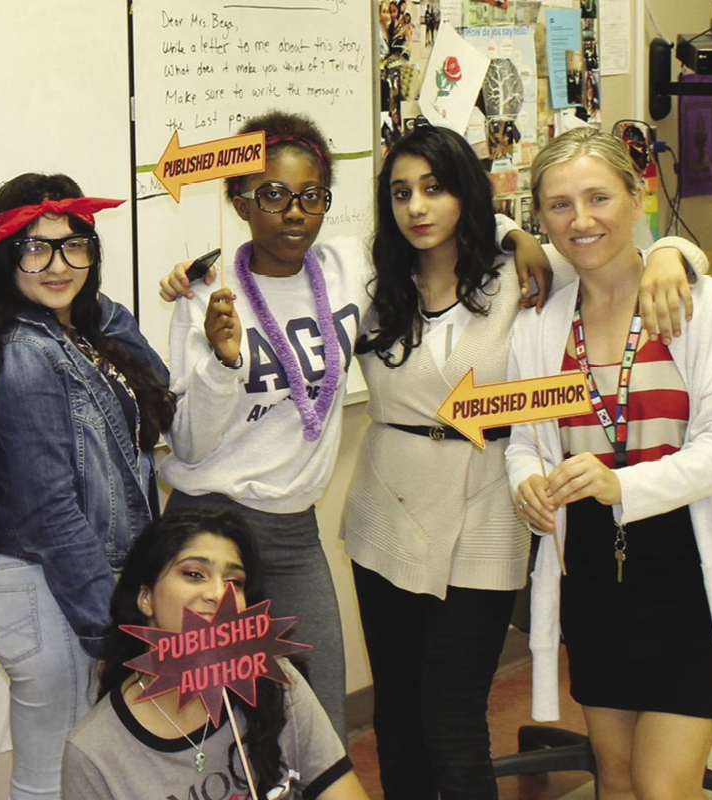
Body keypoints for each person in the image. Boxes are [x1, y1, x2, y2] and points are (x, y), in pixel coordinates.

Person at [156, 111, 557, 738]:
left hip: (293, 530)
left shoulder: (350, 267)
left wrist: (515, 235)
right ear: (239, 202)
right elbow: (187, 443)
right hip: (208, 525)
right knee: (212, 718)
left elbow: (433, 221)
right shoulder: (209, 293)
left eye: (311, 196)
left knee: (322, 720)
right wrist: (222, 364)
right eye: (273, 195)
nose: (294, 213)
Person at [343, 124, 705, 800]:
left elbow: (616, 250)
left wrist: (670, 252)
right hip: (385, 509)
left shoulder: (525, 275)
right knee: (398, 713)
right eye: (401, 192)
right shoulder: (375, 282)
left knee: (452, 719)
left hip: (485, 507)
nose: (417, 207)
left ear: (466, 194)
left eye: (435, 188)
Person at [507, 127, 712, 800]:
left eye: (598, 198)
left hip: (688, 565)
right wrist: (526, 484)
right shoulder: (541, 322)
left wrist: (620, 482)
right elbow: (525, 440)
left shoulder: (706, 309)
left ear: (636, 195)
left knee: (662, 785)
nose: (580, 220)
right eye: (559, 205)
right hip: (593, 569)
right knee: (616, 779)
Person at [0, 173, 175, 800]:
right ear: (6, 256)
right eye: (36, 248)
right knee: (52, 779)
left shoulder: (86, 330)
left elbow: (159, 392)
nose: (59, 265)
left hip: (85, 580)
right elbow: (50, 511)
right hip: (52, 588)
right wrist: (110, 631)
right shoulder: (25, 353)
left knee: (90, 778)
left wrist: (94, 309)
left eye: (75, 246)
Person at [62, 509, 368, 800]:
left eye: (234, 582)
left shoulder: (277, 681)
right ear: (146, 598)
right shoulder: (93, 752)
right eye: (195, 574)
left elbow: (340, 789)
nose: (219, 594)